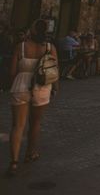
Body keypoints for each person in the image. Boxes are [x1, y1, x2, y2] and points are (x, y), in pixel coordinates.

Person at [6, 19, 60, 177]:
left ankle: (14, 162)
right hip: (42, 87)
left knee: (17, 126)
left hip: (21, 85)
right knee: (35, 123)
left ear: (32, 30)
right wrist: (56, 88)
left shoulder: (21, 47)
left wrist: (13, 84)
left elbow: (12, 72)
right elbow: (55, 70)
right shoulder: (50, 48)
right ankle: (31, 153)